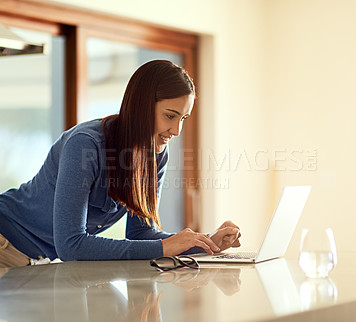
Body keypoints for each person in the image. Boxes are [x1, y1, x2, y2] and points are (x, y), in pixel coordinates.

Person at [0, 59, 241, 268]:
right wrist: (164, 247)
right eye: (170, 115)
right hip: (5, 242)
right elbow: (71, 245)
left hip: (39, 261)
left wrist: (206, 243)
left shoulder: (156, 155)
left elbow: (142, 233)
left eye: (183, 118)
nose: (176, 131)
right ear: (141, 107)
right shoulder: (86, 144)